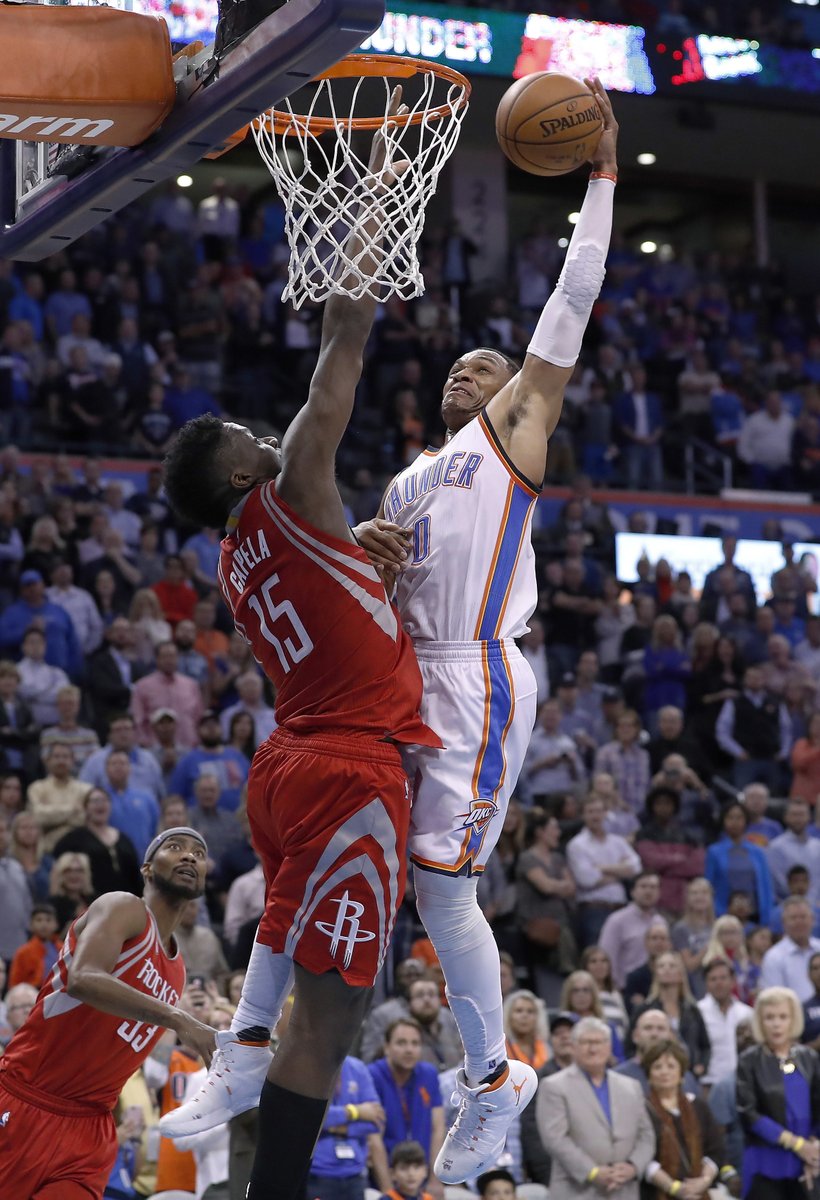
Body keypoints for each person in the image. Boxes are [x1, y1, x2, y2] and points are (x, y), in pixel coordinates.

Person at [158, 106, 441, 1200]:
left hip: (289, 767)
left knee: (295, 996)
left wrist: (357, 558)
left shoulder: (240, 554)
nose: (262, 433)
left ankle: (233, 1066)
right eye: (244, 435)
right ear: (241, 476)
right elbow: (346, 333)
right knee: (328, 1030)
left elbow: (324, 595)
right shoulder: (292, 483)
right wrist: (375, 181)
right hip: (346, 770)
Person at [349, 79, 619, 1185]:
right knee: (394, 873)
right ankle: (483, 1071)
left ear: (517, 393)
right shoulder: (411, 472)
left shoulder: (515, 431)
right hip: (408, 679)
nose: (468, 367)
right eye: (458, 364)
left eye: (489, 365)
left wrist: (600, 178)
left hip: (476, 682)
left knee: (443, 885)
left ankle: (497, 1077)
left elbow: (571, 301)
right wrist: (370, 559)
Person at [0, 827, 216, 1199]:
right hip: (28, 1099)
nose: (189, 856)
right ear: (147, 869)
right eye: (175, 847)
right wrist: (180, 1019)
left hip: (90, 1132)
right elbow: (83, 978)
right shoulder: (123, 907)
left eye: (198, 853)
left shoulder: (177, 970)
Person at [537, 1016, 655, 1199]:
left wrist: (633, 1166)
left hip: (624, 1191)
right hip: (576, 1191)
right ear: (574, 1047)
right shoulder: (553, 1086)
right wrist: (592, 1172)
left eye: (598, 1042)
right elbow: (555, 1139)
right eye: (585, 1042)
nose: (593, 1048)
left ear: (608, 1047)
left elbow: (647, 1135)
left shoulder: (631, 1086)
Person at [736, 985, 820, 1199]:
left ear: (794, 1020)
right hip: (766, 1161)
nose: (776, 1024)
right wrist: (796, 1144)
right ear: (760, 1022)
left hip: (807, 1161)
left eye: (783, 1017)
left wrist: (814, 1147)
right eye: (769, 1017)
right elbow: (749, 1113)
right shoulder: (749, 1060)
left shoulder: (808, 1057)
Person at [640, 1038, 725, 1199]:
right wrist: (674, 1188)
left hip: (699, 1192)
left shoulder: (698, 1106)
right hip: (656, 1193)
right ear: (649, 1074)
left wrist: (704, 1180)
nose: (664, 1072)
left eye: (671, 1066)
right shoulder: (641, 1109)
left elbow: (716, 1150)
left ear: (681, 1074)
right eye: (657, 1067)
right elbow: (643, 1158)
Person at [304, 1055, 391, 1200]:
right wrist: (355, 1112)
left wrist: (332, 1127)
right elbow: (308, 1116)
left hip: (355, 1175)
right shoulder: (307, 1066)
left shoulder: (357, 1068)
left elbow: (376, 1121)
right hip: (317, 1175)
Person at [369, 1018, 445, 1174]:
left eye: (415, 1043)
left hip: (421, 1172)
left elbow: (438, 1129)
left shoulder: (429, 1074)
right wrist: (387, 1189)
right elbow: (373, 1138)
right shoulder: (372, 1075)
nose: (409, 1049)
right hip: (385, 1173)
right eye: (401, 1043)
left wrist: (434, 1179)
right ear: (386, 1047)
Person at [633, 951, 712, 1079]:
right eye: (662, 966)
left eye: (672, 966)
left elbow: (705, 1045)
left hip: (687, 1075)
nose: (666, 970)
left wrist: (702, 1066)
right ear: (656, 973)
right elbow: (630, 1045)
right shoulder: (644, 1009)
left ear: (681, 974)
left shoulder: (692, 1010)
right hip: (650, 1074)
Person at [705, 801, 774, 926]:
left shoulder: (758, 852)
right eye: (730, 817)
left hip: (754, 918)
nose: (735, 822)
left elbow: (766, 887)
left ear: (746, 821)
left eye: (739, 817)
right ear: (723, 821)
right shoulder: (714, 852)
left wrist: (766, 918)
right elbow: (709, 886)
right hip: (722, 917)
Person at [599, 871, 665, 991]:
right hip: (624, 989)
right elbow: (606, 958)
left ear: (659, 893)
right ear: (632, 891)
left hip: (657, 989)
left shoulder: (660, 922)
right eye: (643, 886)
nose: (648, 891)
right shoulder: (617, 921)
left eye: (653, 887)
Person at [617, 1008, 701, 1097]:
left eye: (661, 1028)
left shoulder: (685, 1077)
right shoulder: (618, 1077)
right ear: (635, 1036)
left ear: (671, 1036)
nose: (654, 1034)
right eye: (648, 1028)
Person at [697, 957, 754, 1086]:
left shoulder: (747, 1013)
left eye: (723, 978)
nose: (719, 983)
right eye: (713, 979)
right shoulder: (697, 1012)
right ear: (706, 983)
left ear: (733, 981)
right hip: (708, 1083)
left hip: (743, 1083)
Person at [759, 896, 820, 1002]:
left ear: (813, 920)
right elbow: (774, 998)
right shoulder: (773, 957)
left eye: (803, 917)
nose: (799, 922)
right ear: (783, 923)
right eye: (793, 918)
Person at [8, 900, 62, 989]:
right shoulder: (23, 952)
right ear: (30, 925)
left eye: (48, 920)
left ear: (56, 924)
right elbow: (14, 984)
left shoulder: (63, 948)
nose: (44, 924)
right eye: (39, 920)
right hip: (32, 995)